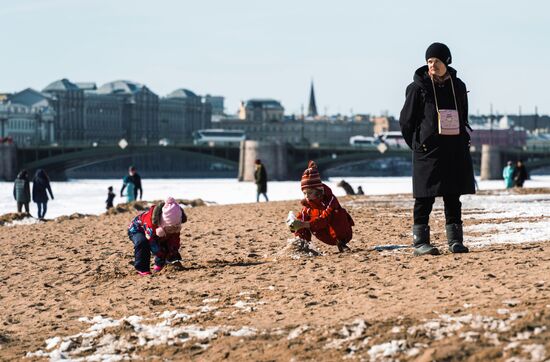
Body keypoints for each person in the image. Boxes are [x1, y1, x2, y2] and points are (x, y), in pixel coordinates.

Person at [399, 42, 475, 256]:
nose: (433, 65)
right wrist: (417, 144)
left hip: (453, 149)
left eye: (437, 61)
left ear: (447, 62)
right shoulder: (418, 88)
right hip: (428, 152)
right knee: (424, 198)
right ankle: (420, 243)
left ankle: (455, 241)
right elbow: (406, 121)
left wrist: (462, 138)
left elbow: (463, 114)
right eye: (429, 61)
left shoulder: (458, 86)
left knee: (453, 196)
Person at [289, 160, 355, 253]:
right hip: (323, 233)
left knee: (338, 214)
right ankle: (303, 245)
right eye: (304, 193)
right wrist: (294, 226)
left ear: (318, 190)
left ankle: (341, 243)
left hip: (342, 234)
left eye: (310, 193)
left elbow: (325, 219)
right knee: (301, 221)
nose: (307, 196)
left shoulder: (330, 200)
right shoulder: (308, 205)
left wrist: (306, 224)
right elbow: (302, 219)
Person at [127, 197, 187, 276]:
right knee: (143, 243)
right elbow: (152, 243)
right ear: (163, 223)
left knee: (168, 240)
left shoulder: (174, 225)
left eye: (175, 227)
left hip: (158, 229)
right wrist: (162, 255)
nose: (173, 230)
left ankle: (160, 264)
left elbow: (175, 240)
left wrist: (172, 253)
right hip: (137, 229)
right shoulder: (151, 222)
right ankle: (142, 269)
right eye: (170, 228)